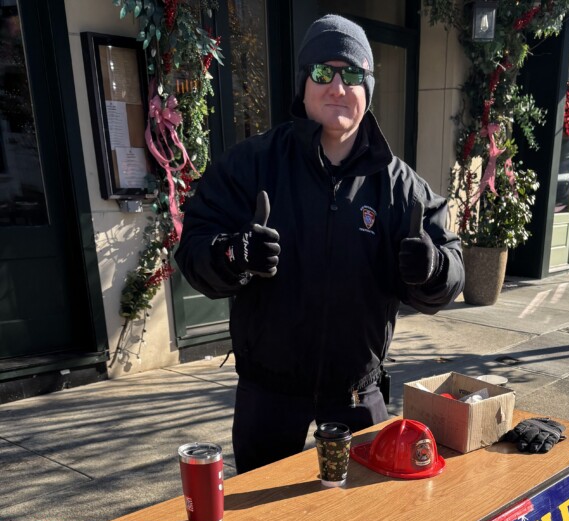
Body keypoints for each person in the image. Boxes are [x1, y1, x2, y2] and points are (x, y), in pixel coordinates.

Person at [175, 14, 464, 473]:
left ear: (367, 87)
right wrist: (234, 254)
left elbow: (451, 265)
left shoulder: (400, 186)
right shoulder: (251, 165)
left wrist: (432, 269)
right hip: (268, 394)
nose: (337, 86)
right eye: (323, 72)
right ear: (303, 84)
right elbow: (194, 250)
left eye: (352, 74)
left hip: (357, 393)